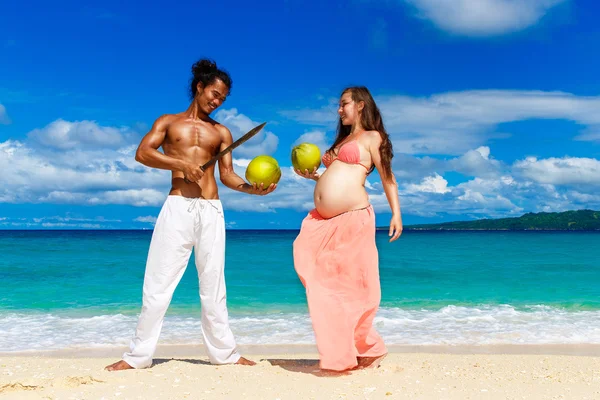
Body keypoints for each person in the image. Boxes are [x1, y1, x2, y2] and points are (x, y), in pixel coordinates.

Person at [105, 59, 276, 371]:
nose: (217, 101)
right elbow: (142, 153)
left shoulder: (221, 132)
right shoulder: (169, 123)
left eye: (223, 98)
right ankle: (137, 357)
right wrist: (181, 165)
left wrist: (252, 189)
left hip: (211, 209)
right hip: (178, 207)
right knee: (157, 284)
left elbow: (227, 175)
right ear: (199, 87)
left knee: (213, 285)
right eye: (214, 94)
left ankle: (226, 355)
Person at [293, 86, 402, 372]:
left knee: (353, 286)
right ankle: (349, 348)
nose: (339, 110)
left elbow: (388, 178)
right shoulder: (344, 140)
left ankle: (366, 348)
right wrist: (315, 176)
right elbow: (335, 175)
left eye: (344, 104)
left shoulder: (372, 138)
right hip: (324, 221)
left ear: (361, 105)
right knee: (320, 282)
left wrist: (396, 214)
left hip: (353, 218)